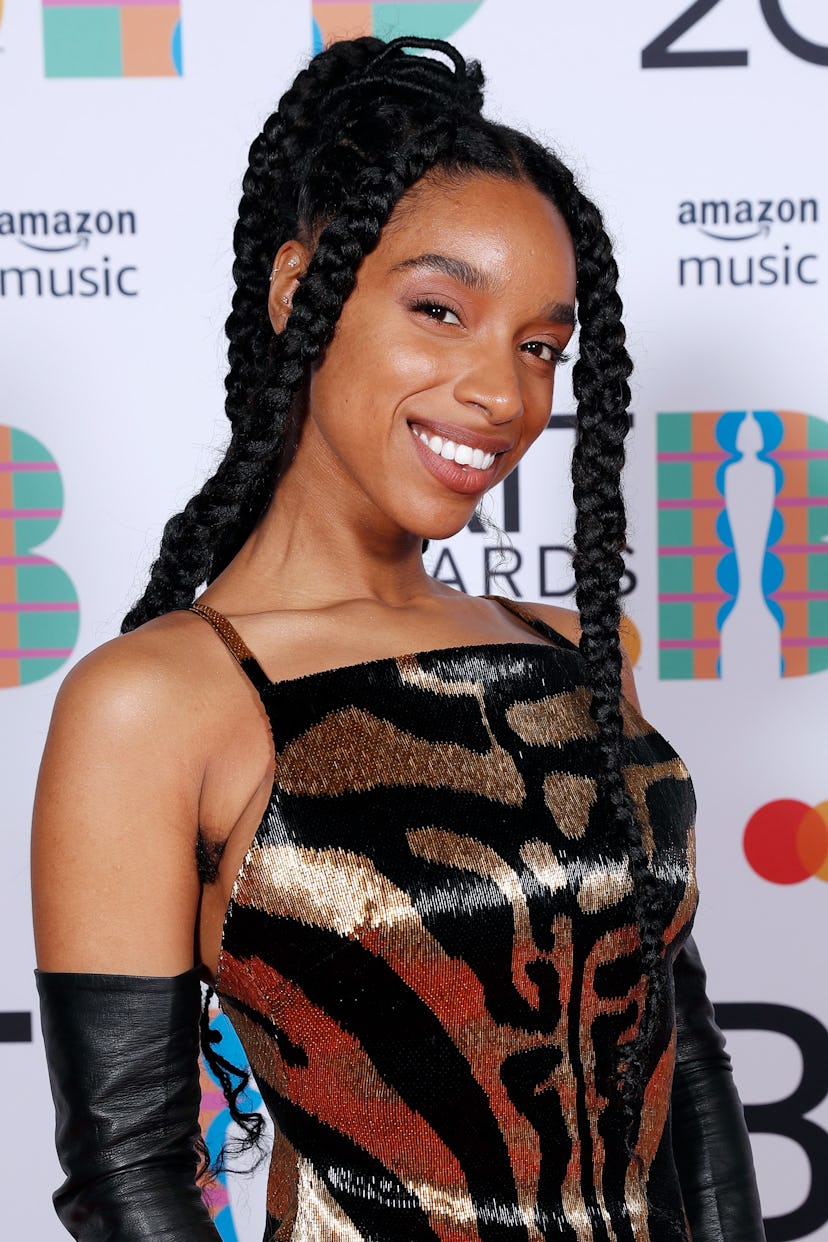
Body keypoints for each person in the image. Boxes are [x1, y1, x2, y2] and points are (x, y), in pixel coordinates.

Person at [31, 34, 766, 1242]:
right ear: (297, 290)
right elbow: (126, 1175)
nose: (504, 393)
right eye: (441, 310)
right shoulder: (160, 700)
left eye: (540, 347)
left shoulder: (577, 654)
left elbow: (686, 1080)